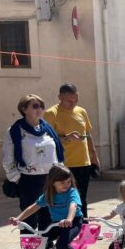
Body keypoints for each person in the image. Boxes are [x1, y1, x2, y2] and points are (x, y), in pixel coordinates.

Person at [3, 94, 65, 249]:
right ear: (24, 109)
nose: (40, 109)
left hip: (50, 179)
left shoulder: (47, 128)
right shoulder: (15, 131)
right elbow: (8, 159)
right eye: (35, 106)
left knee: (50, 215)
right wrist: (17, 179)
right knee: (29, 217)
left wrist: (60, 174)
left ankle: (47, 247)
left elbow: (57, 154)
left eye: (41, 106)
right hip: (29, 180)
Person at [8, 165, 86, 249]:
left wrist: (69, 219)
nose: (67, 185)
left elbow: (73, 206)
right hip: (57, 223)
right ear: (53, 182)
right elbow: (33, 207)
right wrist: (18, 218)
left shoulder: (71, 192)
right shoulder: (49, 195)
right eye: (62, 183)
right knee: (41, 241)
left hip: (73, 222)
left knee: (61, 245)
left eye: (68, 182)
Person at [44, 83, 100, 217]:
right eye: (70, 100)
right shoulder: (51, 113)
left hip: (83, 162)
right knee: (63, 199)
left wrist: (94, 155)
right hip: (64, 165)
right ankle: (62, 226)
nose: (73, 103)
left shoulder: (81, 111)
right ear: (60, 97)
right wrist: (66, 138)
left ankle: (82, 226)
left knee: (81, 198)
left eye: (76, 100)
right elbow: (46, 138)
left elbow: (88, 134)